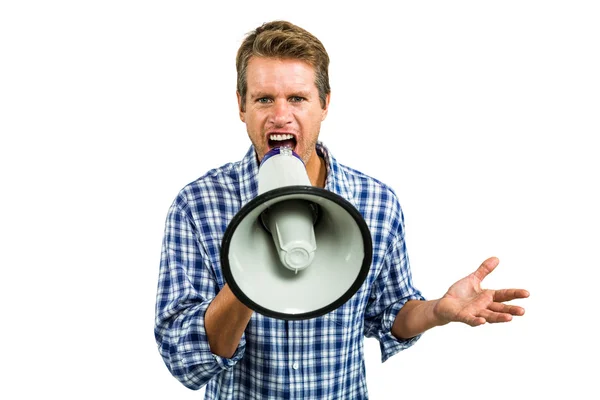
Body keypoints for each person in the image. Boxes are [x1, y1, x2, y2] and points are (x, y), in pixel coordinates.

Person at [154, 20, 529, 399]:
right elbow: (185, 359)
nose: (280, 115)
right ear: (241, 106)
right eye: (264, 98)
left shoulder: (375, 203)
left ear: (325, 104)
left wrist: (436, 312)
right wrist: (249, 277)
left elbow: (389, 313)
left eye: (297, 98)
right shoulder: (197, 206)